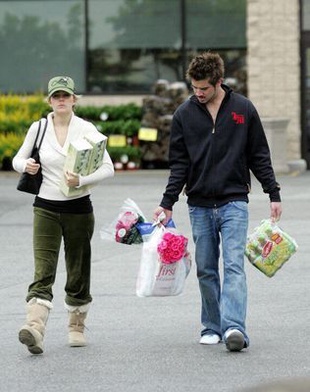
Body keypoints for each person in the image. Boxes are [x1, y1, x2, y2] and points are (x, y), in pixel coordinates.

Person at [153, 52, 282, 352]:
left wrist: (272, 192)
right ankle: (212, 326)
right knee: (206, 268)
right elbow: (179, 165)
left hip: (234, 201)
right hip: (198, 204)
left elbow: (259, 155)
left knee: (234, 265)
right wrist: (167, 202)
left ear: (219, 82)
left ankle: (234, 327)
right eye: (194, 87)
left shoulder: (243, 109)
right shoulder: (184, 114)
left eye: (204, 88)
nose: (198, 93)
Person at [13, 76, 114, 355]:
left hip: (79, 209)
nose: (60, 100)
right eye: (56, 96)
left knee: (78, 268)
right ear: (49, 100)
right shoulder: (39, 127)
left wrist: (80, 181)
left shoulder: (86, 129)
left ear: (73, 100)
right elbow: (17, 159)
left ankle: (76, 326)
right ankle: (34, 327)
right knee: (43, 268)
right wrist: (27, 165)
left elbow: (109, 168)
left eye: (65, 96)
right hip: (45, 206)